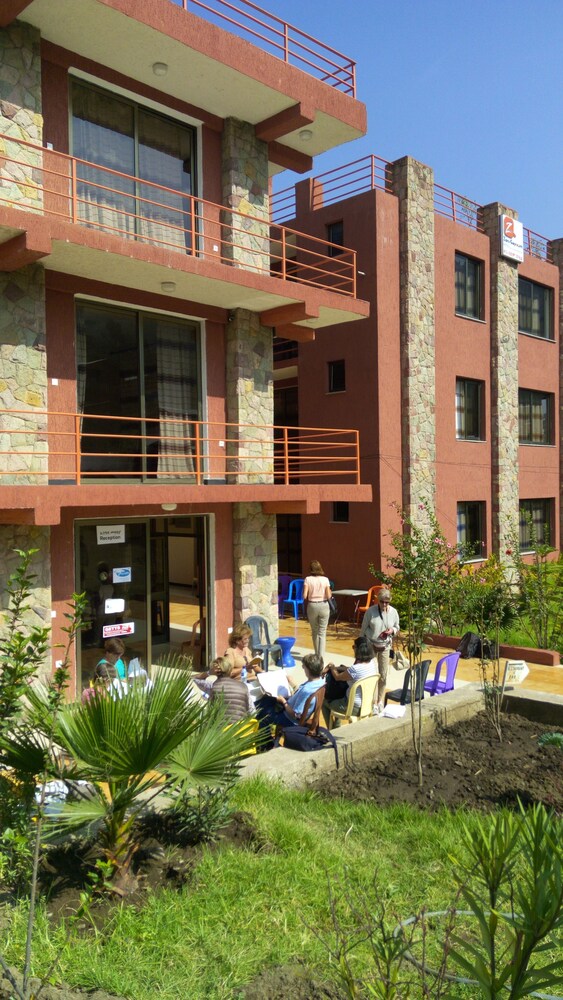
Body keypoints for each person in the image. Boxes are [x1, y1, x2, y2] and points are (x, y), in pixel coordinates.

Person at [255, 652, 325, 740]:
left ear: (309, 669)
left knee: (263, 713)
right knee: (268, 701)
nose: (303, 667)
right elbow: (303, 695)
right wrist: (293, 683)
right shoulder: (320, 682)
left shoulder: (306, 690)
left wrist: (283, 701)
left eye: (304, 666)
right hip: (297, 713)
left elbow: (295, 715)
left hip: (290, 720)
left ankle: (265, 743)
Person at [360, 588, 400, 714]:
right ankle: (372, 702)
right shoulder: (370, 611)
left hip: (385, 646)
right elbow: (363, 629)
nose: (384, 604)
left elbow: (397, 627)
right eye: (382, 601)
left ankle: (379, 700)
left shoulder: (394, 612)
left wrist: (392, 630)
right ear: (378, 600)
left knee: (383, 675)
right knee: (372, 674)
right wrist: (362, 644)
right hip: (371, 645)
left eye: (387, 602)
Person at [323, 636, 378, 721]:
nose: (353, 649)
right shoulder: (372, 663)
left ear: (358, 650)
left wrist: (332, 666)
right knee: (338, 698)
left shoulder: (355, 669)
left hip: (353, 707)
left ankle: (334, 728)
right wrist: (337, 668)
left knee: (324, 702)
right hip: (367, 705)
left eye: (354, 647)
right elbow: (350, 671)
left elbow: (337, 677)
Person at [208, 656, 254, 723]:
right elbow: (252, 711)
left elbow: (210, 712)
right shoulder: (243, 686)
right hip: (241, 727)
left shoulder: (214, 687)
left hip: (221, 728)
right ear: (230, 670)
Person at [303, 560, 332, 661]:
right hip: (324, 605)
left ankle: (316, 655)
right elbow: (328, 595)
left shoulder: (307, 579)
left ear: (311, 569)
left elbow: (304, 596)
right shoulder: (325, 579)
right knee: (322, 632)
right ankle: (321, 657)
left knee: (315, 631)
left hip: (312, 605)